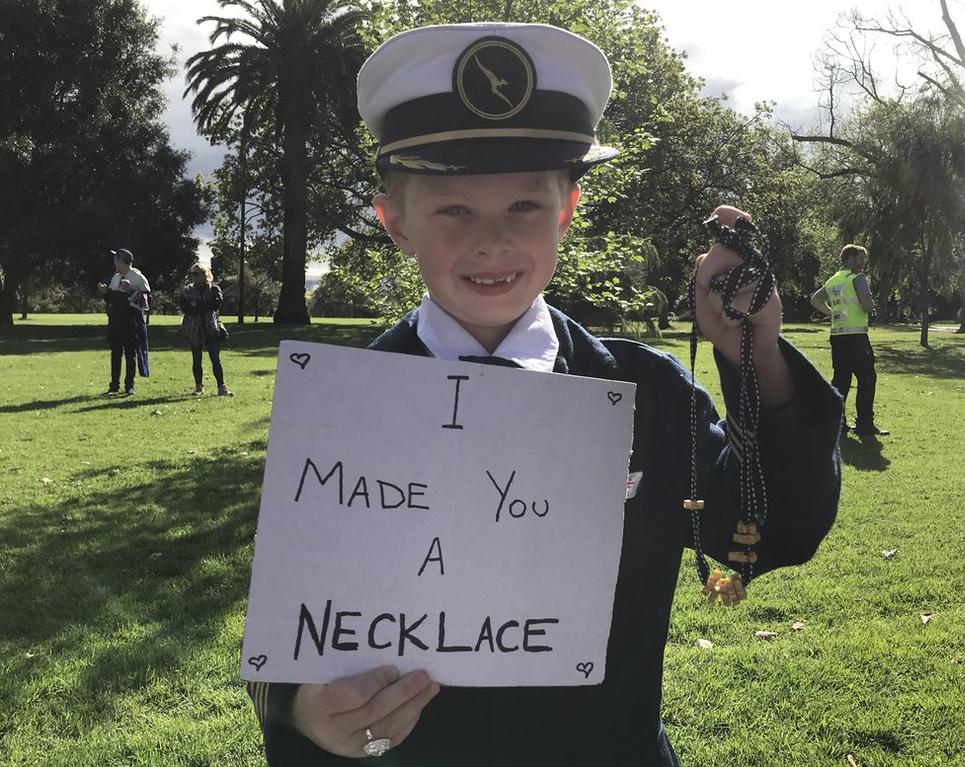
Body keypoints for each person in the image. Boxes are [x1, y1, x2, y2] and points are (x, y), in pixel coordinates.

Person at [245, 23, 842, 766]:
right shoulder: (339, 410)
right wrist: (304, 710)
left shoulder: (648, 395)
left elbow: (768, 534)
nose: (493, 240)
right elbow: (290, 633)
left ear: (567, 211)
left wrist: (755, 360)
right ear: (395, 222)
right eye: (454, 209)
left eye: (525, 206)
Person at [810, 244, 889, 437]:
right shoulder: (858, 278)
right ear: (850, 258)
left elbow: (815, 300)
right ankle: (864, 424)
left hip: (837, 337)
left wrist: (833, 313)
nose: (862, 263)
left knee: (841, 379)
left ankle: (837, 423)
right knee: (867, 379)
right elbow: (868, 306)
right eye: (860, 258)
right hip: (857, 338)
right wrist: (871, 303)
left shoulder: (832, 281)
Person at [96, 248, 149, 395]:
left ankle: (129, 386)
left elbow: (146, 301)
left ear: (121, 261)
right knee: (115, 354)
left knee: (130, 355)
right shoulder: (116, 277)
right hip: (115, 321)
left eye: (115, 259)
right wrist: (106, 293)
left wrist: (131, 291)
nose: (113, 262)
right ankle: (114, 386)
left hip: (130, 322)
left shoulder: (137, 277)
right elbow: (112, 299)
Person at [178, 263, 233, 397]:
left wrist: (196, 304)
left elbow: (216, 303)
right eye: (192, 273)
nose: (193, 276)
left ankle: (221, 387)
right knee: (197, 359)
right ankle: (198, 387)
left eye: (196, 273)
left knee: (215, 358)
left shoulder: (214, 288)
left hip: (211, 327)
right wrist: (202, 307)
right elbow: (185, 308)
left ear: (204, 274)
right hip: (194, 328)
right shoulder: (187, 290)